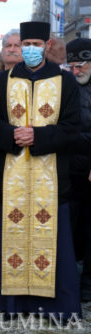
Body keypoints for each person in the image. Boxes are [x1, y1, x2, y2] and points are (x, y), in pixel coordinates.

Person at [0, 21, 81, 320]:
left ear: (47, 45)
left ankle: (56, 307)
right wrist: (12, 135)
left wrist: (37, 136)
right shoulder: (4, 81)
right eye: (25, 44)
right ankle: (14, 306)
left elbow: (72, 128)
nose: (29, 49)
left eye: (35, 44)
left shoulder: (65, 81)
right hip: (11, 177)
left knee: (55, 243)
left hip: (53, 179)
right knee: (13, 239)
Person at [65, 38, 91, 302]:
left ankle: (88, 284)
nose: (76, 71)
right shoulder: (66, 86)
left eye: (81, 66)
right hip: (69, 170)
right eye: (71, 66)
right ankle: (69, 281)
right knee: (70, 227)